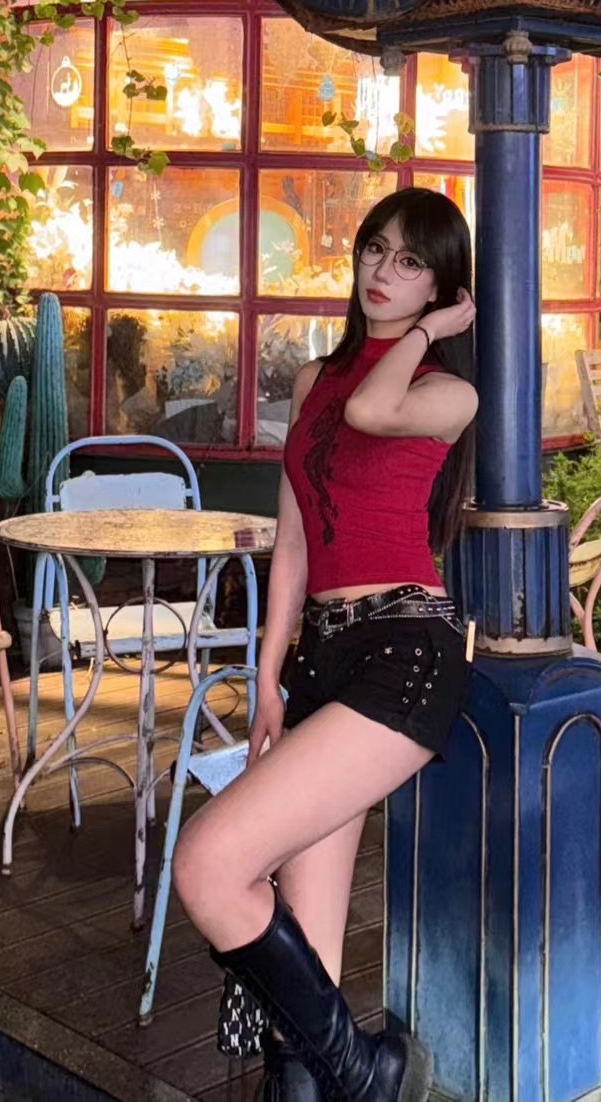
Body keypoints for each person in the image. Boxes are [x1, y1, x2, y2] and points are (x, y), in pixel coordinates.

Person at [173, 187, 478, 1101]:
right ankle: (340, 1078)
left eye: (411, 262)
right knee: (301, 966)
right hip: (322, 659)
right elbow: (297, 534)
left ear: (443, 289)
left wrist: (427, 333)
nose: (382, 271)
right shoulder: (315, 380)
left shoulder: (447, 391)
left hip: (404, 656)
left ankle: (370, 1074)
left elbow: (374, 414)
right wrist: (268, 673)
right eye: (375, 249)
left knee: (209, 865)